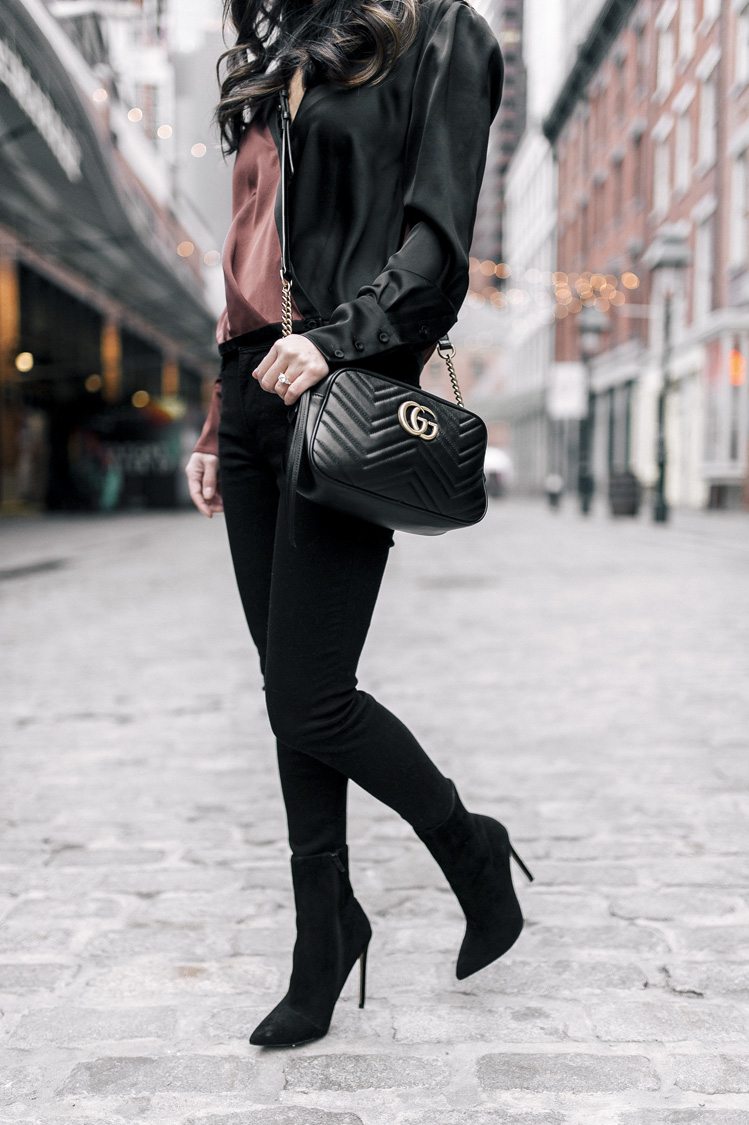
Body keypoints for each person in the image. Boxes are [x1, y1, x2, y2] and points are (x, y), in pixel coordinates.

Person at [184, 0, 532, 1049]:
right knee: (290, 695)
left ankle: (467, 846)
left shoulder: (442, 34)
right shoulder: (271, 57)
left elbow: (436, 248)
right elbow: (247, 253)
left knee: (308, 694)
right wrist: (213, 418)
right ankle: (323, 935)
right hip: (250, 393)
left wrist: (341, 340)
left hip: (338, 390)